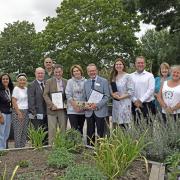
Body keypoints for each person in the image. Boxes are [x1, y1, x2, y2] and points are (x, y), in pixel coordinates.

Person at [84, 63, 109, 145]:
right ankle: (90, 148)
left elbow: (107, 96)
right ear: (87, 72)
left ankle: (101, 150)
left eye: (94, 70)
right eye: (90, 71)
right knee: (90, 131)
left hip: (100, 111)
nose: (92, 72)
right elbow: (84, 97)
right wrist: (86, 105)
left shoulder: (104, 81)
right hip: (89, 111)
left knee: (101, 132)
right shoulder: (86, 83)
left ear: (97, 71)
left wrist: (97, 105)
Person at [43, 64, 67, 144]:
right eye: (56, 72)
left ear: (62, 72)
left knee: (63, 130)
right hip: (52, 110)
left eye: (59, 72)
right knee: (52, 130)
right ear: (54, 72)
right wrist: (51, 105)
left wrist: (65, 104)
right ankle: (51, 147)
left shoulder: (66, 81)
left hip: (62, 110)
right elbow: (45, 94)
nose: (58, 74)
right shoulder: (49, 81)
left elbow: (68, 95)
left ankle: (62, 147)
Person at [110, 58, 134, 129]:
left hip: (125, 103)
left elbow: (131, 91)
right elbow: (111, 90)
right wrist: (112, 95)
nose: (118, 66)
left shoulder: (128, 76)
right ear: (114, 66)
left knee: (124, 125)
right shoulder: (113, 77)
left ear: (123, 65)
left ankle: (125, 140)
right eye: (116, 64)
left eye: (120, 64)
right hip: (116, 103)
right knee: (116, 125)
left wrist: (121, 97)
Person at [131, 56, 156, 124]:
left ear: (145, 64)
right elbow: (129, 90)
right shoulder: (130, 76)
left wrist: (141, 100)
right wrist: (135, 100)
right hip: (134, 104)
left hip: (147, 105)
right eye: (138, 63)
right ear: (135, 64)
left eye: (142, 63)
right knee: (136, 126)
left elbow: (151, 89)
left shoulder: (150, 75)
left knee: (148, 127)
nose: (140, 64)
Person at [28, 67, 48, 145]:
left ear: (44, 74)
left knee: (46, 131)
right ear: (35, 74)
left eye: (42, 73)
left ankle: (45, 146)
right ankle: (37, 147)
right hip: (36, 113)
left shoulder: (47, 83)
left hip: (47, 112)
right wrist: (34, 113)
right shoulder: (31, 85)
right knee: (37, 132)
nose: (40, 75)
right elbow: (31, 100)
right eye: (38, 73)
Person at [65, 65, 86, 135]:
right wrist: (75, 106)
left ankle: (80, 145)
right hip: (72, 110)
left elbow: (87, 96)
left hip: (82, 110)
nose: (76, 72)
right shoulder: (70, 81)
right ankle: (75, 145)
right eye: (74, 71)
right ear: (72, 73)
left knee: (80, 128)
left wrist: (81, 107)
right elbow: (68, 94)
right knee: (74, 129)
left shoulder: (86, 81)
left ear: (80, 71)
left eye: (77, 70)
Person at [12, 73, 29, 148]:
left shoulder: (26, 89)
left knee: (24, 130)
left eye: (24, 80)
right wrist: (18, 112)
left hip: (26, 111)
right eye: (20, 80)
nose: (22, 81)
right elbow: (14, 101)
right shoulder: (16, 89)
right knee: (18, 130)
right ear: (18, 81)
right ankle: (17, 148)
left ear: (26, 81)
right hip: (18, 111)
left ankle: (23, 146)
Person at [0, 74, 14, 149]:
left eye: (7, 79)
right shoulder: (0, 90)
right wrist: (0, 116)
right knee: (1, 133)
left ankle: (4, 148)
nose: (5, 80)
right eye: (3, 79)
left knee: (6, 133)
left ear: (9, 80)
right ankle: (1, 150)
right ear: (1, 80)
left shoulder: (10, 89)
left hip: (9, 113)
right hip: (2, 114)